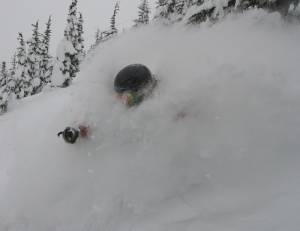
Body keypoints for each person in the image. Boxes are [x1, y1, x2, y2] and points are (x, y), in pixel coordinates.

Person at [58, 64, 157, 144]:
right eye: (118, 94)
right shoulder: (133, 102)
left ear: (143, 91)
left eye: (126, 96)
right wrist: (80, 129)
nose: (120, 100)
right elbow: (105, 116)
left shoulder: (154, 111)